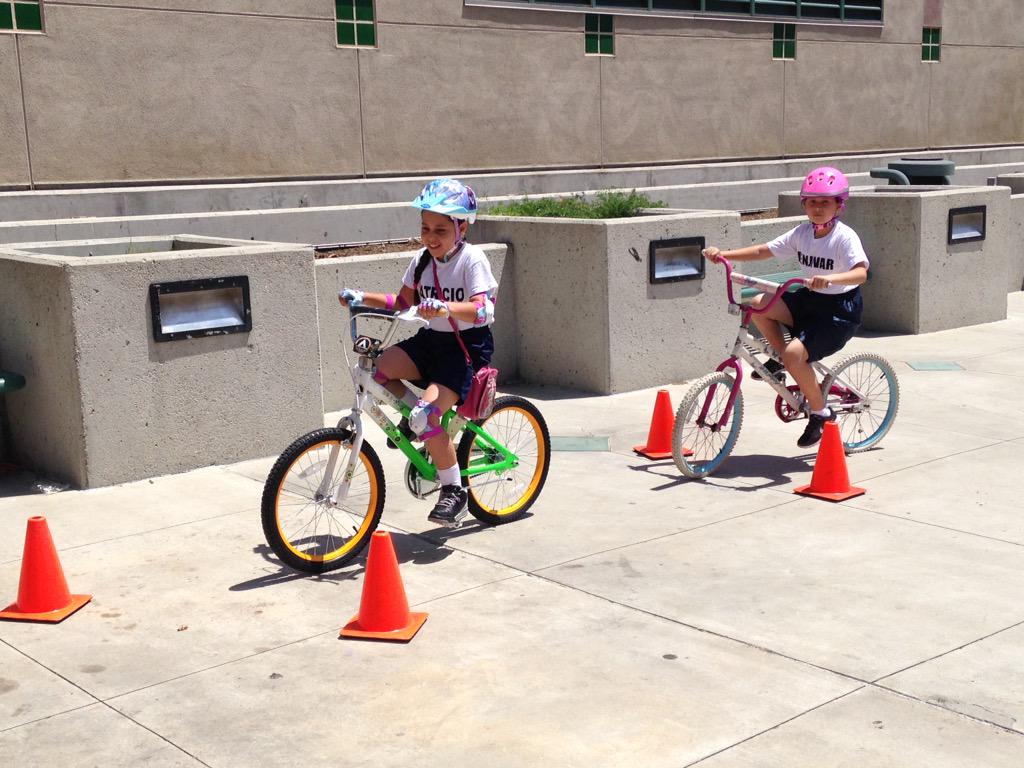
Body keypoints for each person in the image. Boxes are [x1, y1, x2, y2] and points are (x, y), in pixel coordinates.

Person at [338, 178, 497, 528]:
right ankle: (417, 424)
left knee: (427, 416)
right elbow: (402, 302)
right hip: (431, 341)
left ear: (462, 226)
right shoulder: (422, 261)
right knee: (375, 371)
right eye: (425, 228)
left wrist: (446, 309)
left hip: (464, 349)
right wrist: (362, 296)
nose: (431, 236)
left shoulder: (472, 261)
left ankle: (454, 490)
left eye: (441, 229)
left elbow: (484, 310)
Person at [702, 166, 869, 448]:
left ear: (839, 205)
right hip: (809, 299)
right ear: (804, 204)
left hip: (838, 311)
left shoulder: (844, 237)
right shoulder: (802, 233)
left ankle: (821, 412)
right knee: (759, 303)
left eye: (825, 202)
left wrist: (830, 280)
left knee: (795, 355)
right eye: (812, 202)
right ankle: (781, 360)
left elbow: (861, 273)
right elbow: (763, 251)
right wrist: (723, 255)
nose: (818, 208)